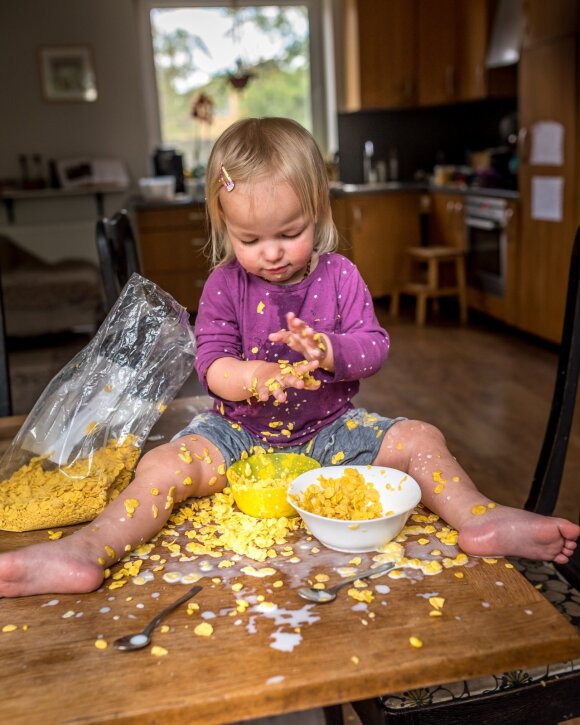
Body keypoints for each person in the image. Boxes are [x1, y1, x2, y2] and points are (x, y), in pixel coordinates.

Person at [0, 117, 578, 598]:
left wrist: (330, 350)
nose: (271, 253)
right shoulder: (226, 285)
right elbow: (210, 362)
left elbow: (374, 347)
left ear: (319, 211)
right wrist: (248, 377)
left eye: (290, 232)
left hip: (331, 430)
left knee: (422, 438)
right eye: (250, 241)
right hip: (239, 436)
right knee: (160, 468)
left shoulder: (341, 275)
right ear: (224, 227)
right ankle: (87, 548)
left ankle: (480, 518)